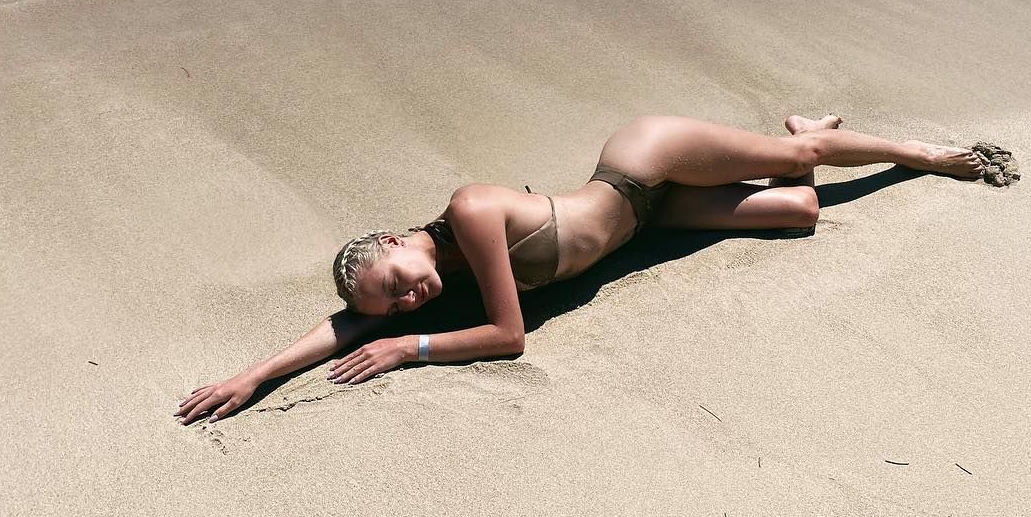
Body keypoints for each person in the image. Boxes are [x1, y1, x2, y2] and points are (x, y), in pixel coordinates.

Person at [176, 113, 982, 424]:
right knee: (799, 210)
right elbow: (343, 326)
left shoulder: (470, 212)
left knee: (796, 159)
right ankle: (804, 135)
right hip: (651, 223)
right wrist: (255, 376)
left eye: (396, 285)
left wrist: (407, 348)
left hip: (644, 164)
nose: (409, 300)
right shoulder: (435, 277)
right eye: (398, 308)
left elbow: (509, 336)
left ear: (394, 241)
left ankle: (917, 151)